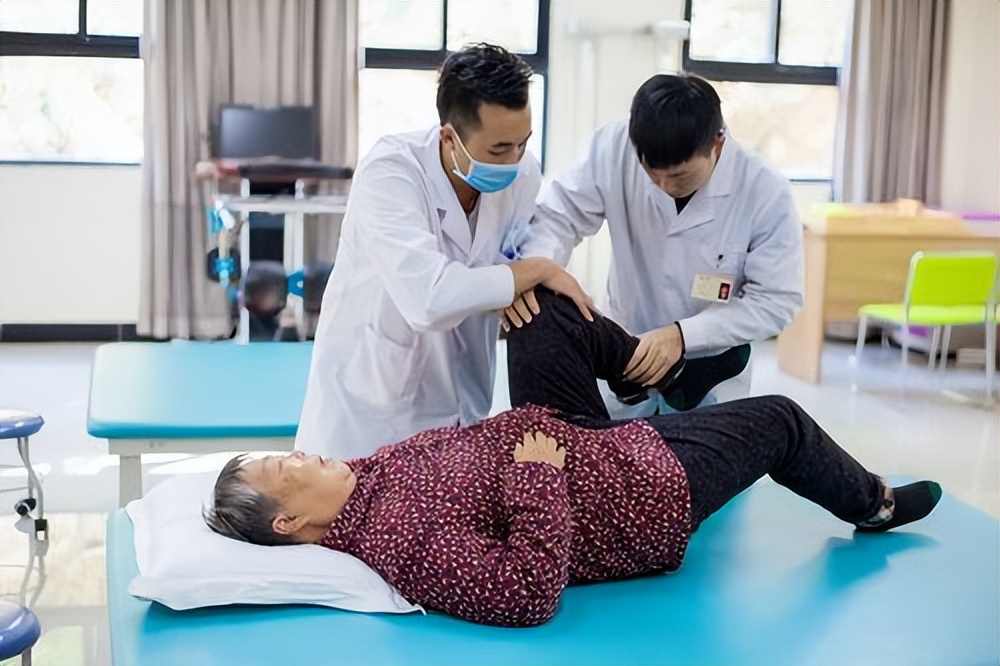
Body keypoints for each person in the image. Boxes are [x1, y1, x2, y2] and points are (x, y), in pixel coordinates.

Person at [205, 289, 942, 628]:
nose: (300, 452)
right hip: (636, 489)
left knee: (542, 311)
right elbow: (527, 594)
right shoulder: (405, 543)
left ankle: (669, 375)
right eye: (286, 467)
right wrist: (531, 476)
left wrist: (529, 445)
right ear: (289, 521)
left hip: (567, 433)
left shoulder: (366, 478)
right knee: (780, 418)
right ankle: (872, 503)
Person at [296, 43, 593, 459]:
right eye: (498, 150)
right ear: (449, 137)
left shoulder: (523, 175)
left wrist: (525, 274)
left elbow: (506, 263)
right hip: (372, 409)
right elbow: (430, 300)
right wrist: (538, 270)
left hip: (463, 403)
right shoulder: (391, 171)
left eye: (522, 143)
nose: (514, 161)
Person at [508, 73, 804, 415]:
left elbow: (776, 301)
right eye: (652, 173)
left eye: (679, 176)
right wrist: (536, 268)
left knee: (698, 460)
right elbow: (559, 217)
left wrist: (682, 336)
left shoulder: (764, 191)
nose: (664, 185)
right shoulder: (614, 147)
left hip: (711, 364)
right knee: (618, 459)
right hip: (626, 352)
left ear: (716, 145)